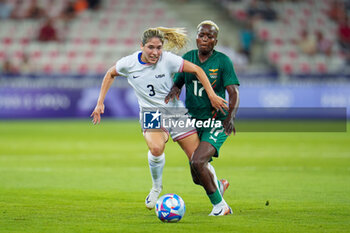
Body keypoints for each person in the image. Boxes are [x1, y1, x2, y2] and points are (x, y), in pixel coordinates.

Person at [90, 27, 228, 211]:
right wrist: (100, 102)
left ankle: (217, 186)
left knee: (197, 160)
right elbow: (110, 74)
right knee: (156, 148)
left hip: (175, 113)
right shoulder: (129, 63)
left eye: (159, 47)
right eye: (150, 47)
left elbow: (196, 69)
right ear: (141, 46)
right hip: (151, 113)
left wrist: (211, 94)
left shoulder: (168, 60)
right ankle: (156, 188)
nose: (155, 52)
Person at [165, 20, 240, 216]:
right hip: (194, 122)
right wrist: (174, 90)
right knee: (197, 175)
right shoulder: (188, 58)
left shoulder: (223, 61)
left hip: (216, 121)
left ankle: (221, 206)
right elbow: (179, 82)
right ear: (196, 37)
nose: (204, 39)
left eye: (209, 36)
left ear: (216, 41)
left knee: (198, 162)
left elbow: (233, 92)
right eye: (201, 35)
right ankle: (219, 186)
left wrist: (230, 118)